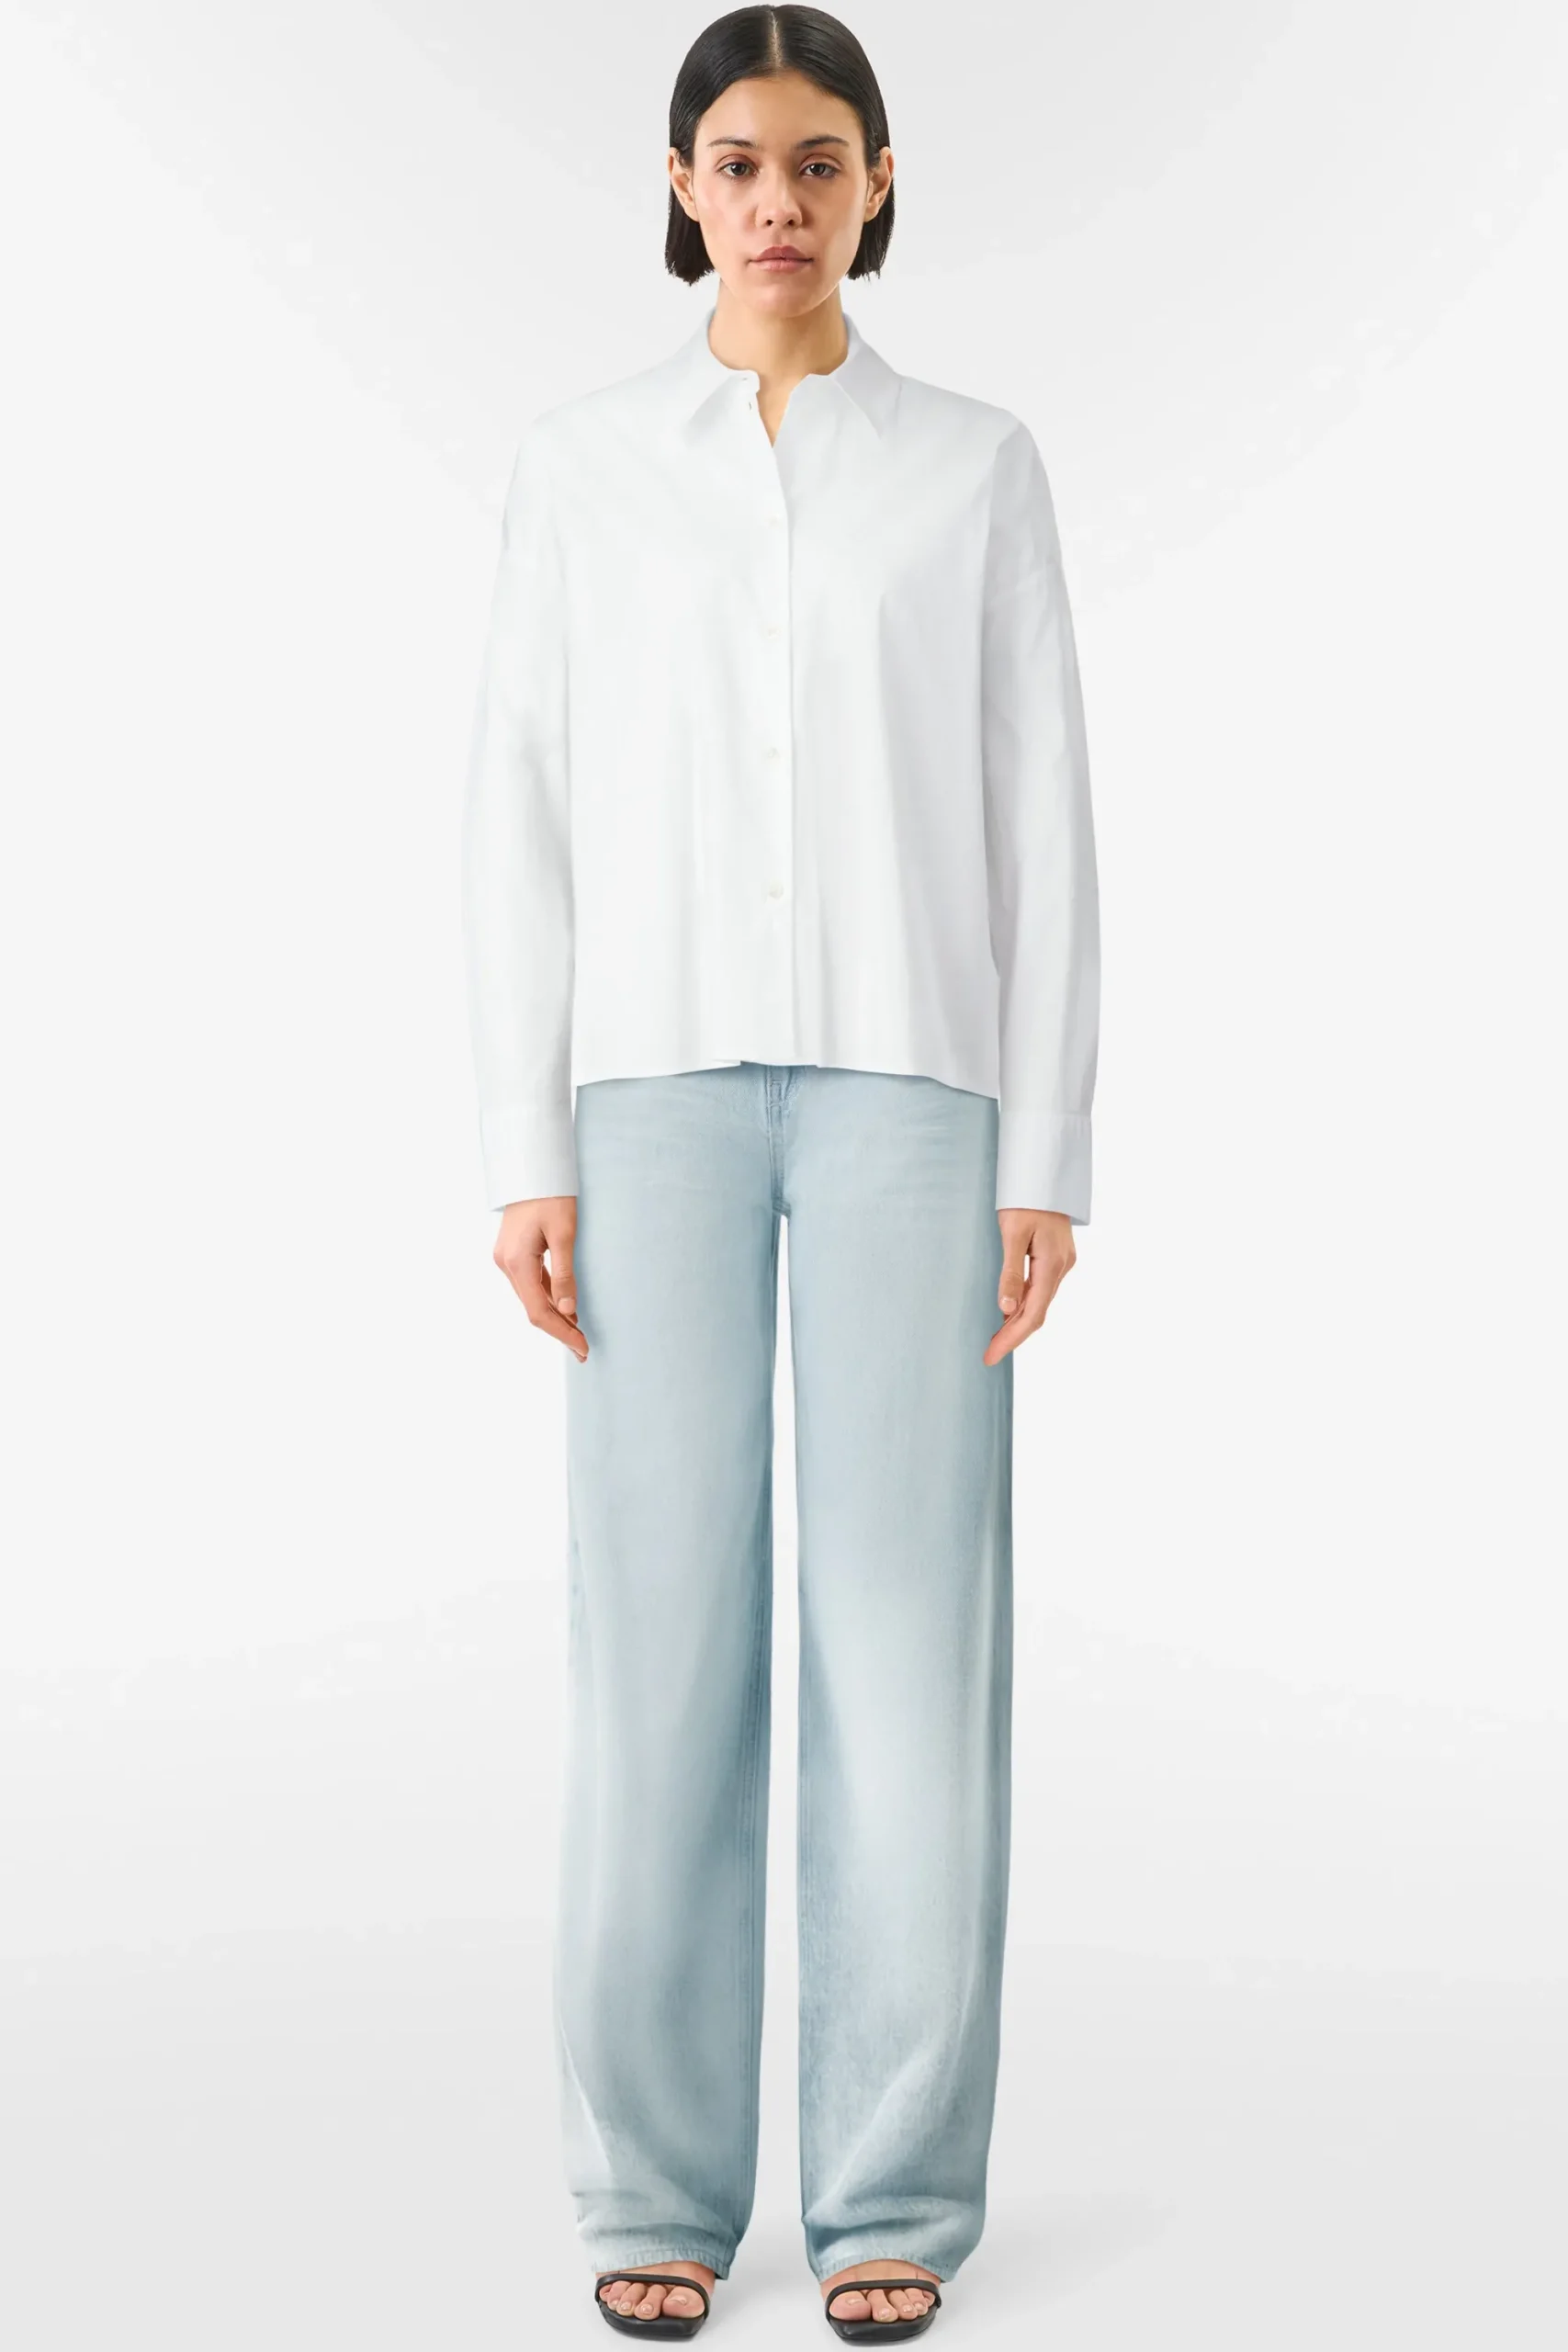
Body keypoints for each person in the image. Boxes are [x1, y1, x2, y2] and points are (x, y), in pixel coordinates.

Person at [460, 6, 1100, 2339]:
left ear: (877, 182)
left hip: (918, 1092)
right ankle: (650, 2175)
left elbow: (1042, 814)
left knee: (907, 1647)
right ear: (680, 185)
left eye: (818, 161)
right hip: (643, 1095)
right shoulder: (579, 468)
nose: (776, 201)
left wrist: (1049, 1147)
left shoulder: (973, 467)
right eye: (737, 160)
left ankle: (892, 2189)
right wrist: (523, 1139)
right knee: (659, 1641)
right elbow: (519, 807)